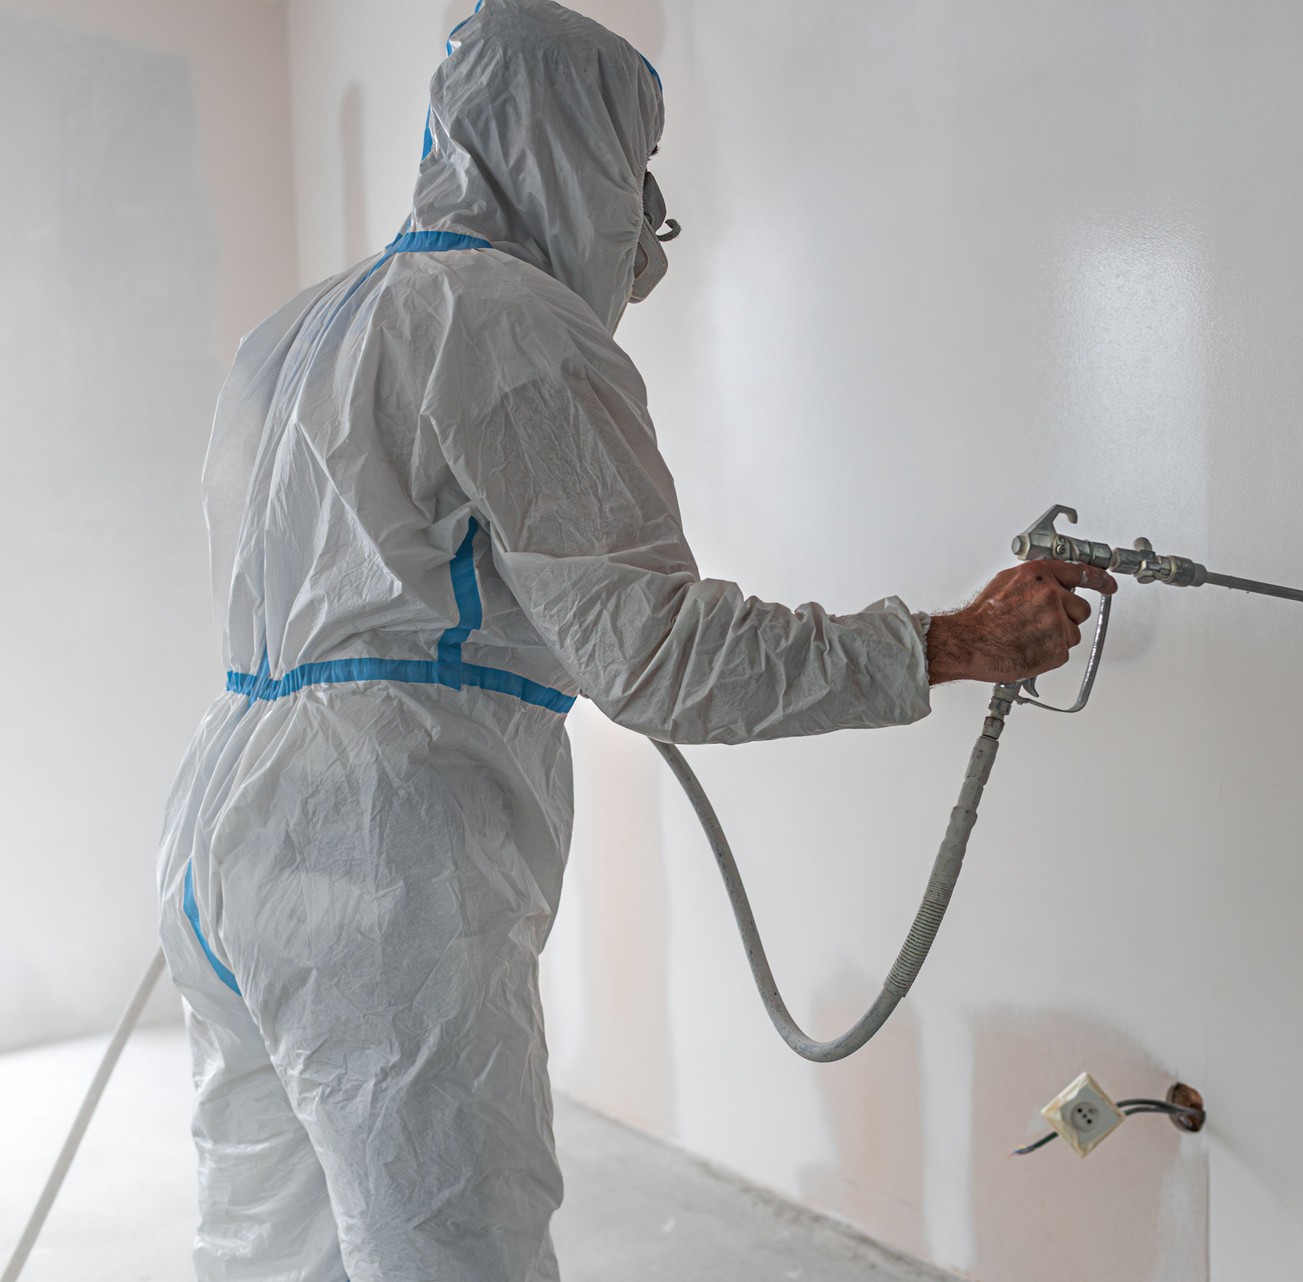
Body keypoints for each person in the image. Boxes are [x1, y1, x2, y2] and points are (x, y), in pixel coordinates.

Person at [152, 2, 1115, 1278]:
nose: (645, 225)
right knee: (455, 1251)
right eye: (632, 170)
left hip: (222, 829)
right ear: (567, 153)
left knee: (270, 1249)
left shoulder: (294, 333)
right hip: (384, 856)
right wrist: (953, 640)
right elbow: (656, 656)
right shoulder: (508, 322)